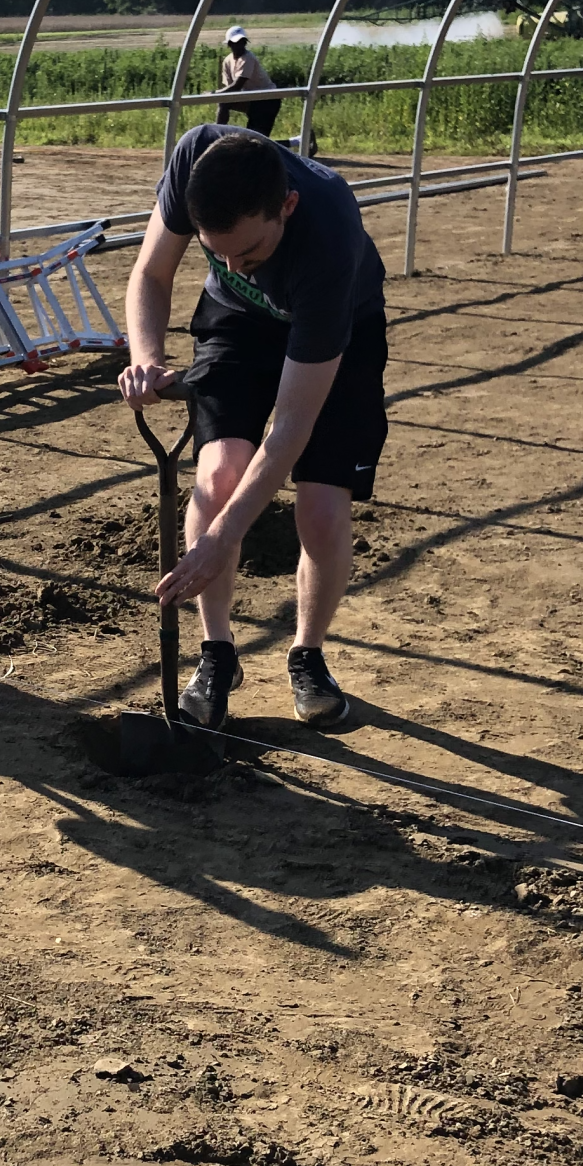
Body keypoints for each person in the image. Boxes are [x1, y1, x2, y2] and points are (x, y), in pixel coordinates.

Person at [117, 124, 388, 730]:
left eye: (252, 254)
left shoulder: (327, 239)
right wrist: (146, 357)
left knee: (320, 505)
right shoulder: (198, 160)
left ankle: (308, 654)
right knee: (215, 483)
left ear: (285, 206)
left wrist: (222, 540)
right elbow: (152, 273)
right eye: (221, 254)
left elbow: (291, 427)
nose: (237, 265)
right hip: (237, 325)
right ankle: (217, 653)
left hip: (339, 327)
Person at [219, 23, 280, 136]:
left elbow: (237, 85)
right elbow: (228, 89)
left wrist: (214, 94)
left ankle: (299, 140)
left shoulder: (248, 58)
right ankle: (218, 132)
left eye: (242, 42)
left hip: (268, 101)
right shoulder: (227, 61)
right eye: (236, 43)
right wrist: (219, 96)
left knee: (257, 138)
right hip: (252, 100)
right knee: (224, 102)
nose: (240, 45)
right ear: (229, 44)